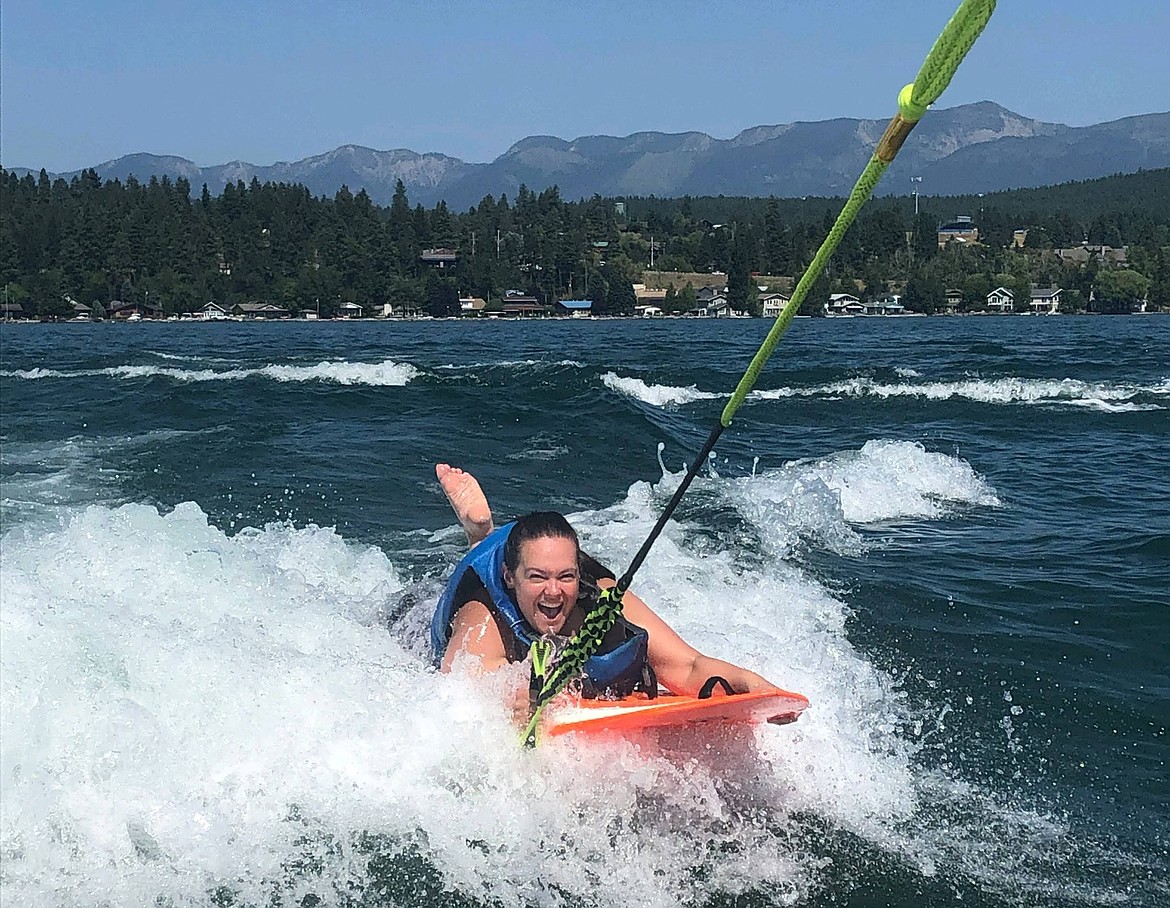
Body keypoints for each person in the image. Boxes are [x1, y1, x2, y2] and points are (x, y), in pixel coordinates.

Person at [432, 463, 778, 699]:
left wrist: (748, 682)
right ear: (510, 578)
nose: (554, 591)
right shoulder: (484, 613)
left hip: (525, 555)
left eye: (565, 577)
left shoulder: (601, 598)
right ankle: (479, 536)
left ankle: (488, 541)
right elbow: (461, 687)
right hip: (439, 606)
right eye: (538, 578)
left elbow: (687, 666)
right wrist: (514, 696)